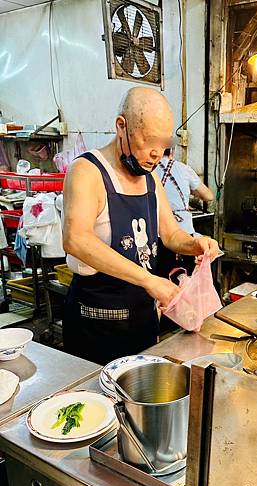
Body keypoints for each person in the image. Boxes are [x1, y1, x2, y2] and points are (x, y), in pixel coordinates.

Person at [62, 87, 219, 365]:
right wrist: (149, 280)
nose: (156, 154)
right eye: (148, 141)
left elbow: (170, 234)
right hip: (96, 323)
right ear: (121, 126)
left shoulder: (150, 179)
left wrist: (196, 243)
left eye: (163, 144)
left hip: (143, 319)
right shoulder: (87, 171)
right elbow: (76, 239)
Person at [154, 148, 214, 278]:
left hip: (157, 236)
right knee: (185, 277)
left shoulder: (149, 171)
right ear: (172, 151)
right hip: (185, 234)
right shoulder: (184, 169)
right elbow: (208, 196)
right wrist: (189, 194)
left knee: (162, 276)